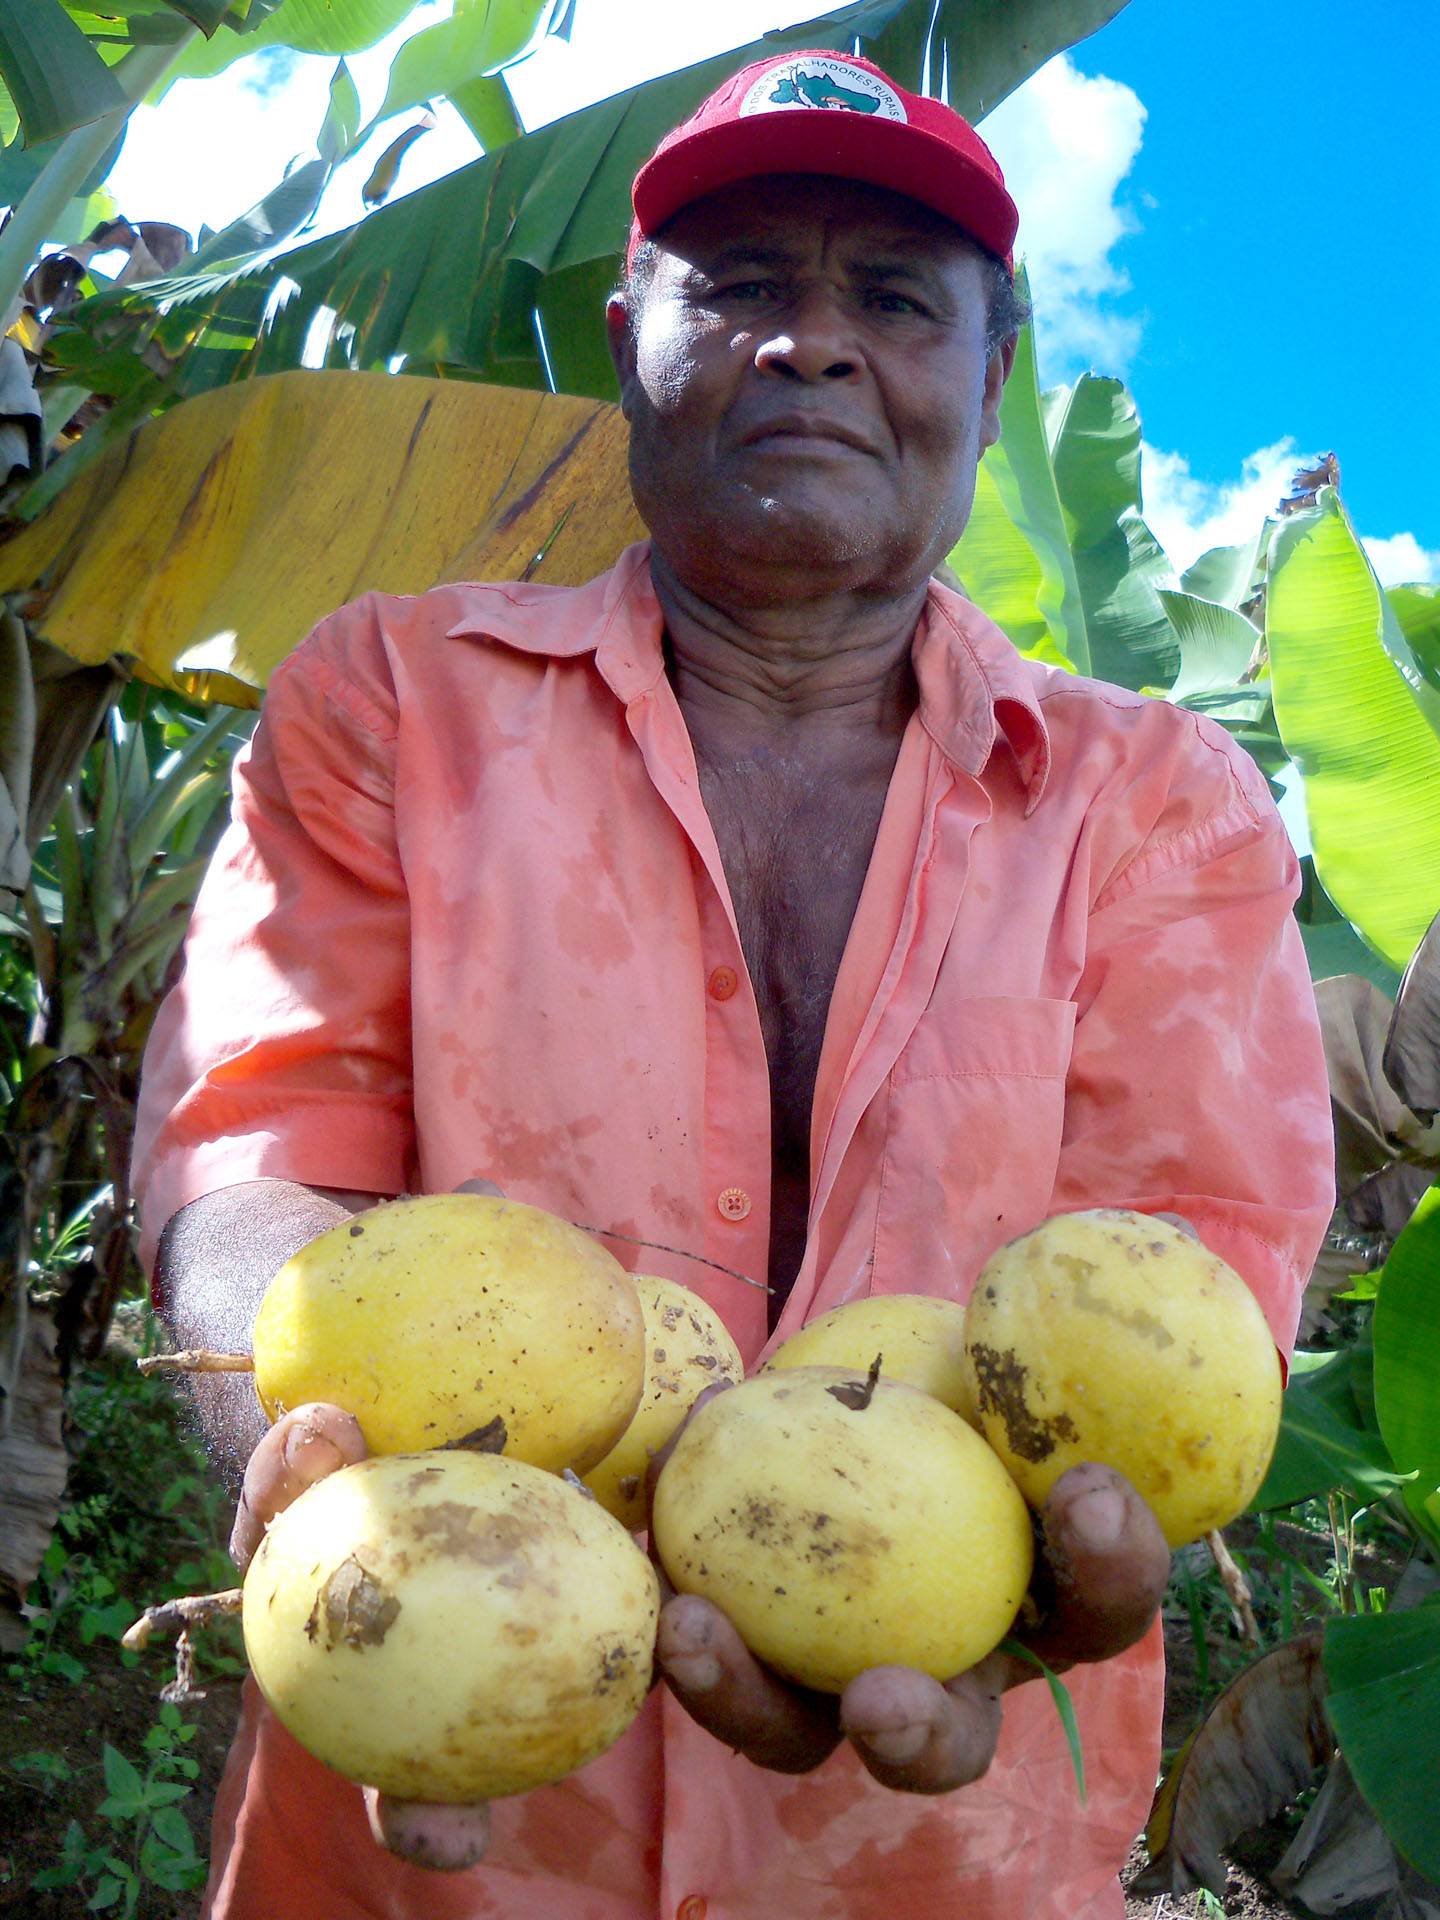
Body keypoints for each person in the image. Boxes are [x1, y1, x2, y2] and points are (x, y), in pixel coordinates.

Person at [132, 47, 1334, 1920]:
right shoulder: (389, 701)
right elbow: (258, 1147)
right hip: (434, 1721)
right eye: (746, 282)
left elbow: (1183, 1280)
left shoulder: (1161, 807)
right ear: (631, 344)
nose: (814, 344)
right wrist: (328, 1450)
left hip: (930, 1845)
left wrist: (1052, 1555)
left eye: (896, 301)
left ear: (991, 379)